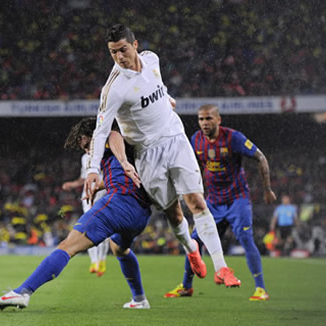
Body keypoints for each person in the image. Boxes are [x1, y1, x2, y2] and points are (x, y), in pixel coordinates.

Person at [84, 24, 240, 286]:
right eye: (113, 53)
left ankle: (222, 268)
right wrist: (92, 169)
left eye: (123, 49)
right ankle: (191, 248)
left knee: (198, 203)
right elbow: (101, 132)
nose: (119, 57)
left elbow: (158, 84)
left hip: (175, 138)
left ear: (135, 45)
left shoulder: (151, 59)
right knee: (174, 214)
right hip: (148, 154)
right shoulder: (114, 89)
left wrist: (167, 98)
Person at [0, 118, 153, 310]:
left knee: (67, 246)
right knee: (119, 248)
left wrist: (109, 148)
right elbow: (121, 177)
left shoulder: (110, 137)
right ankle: (140, 299)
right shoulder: (125, 150)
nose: (87, 151)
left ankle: (22, 292)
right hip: (140, 213)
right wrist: (98, 184)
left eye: (87, 145)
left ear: (96, 135)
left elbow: (111, 134)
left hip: (118, 204)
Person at [164, 104, 277, 301]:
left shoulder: (233, 138)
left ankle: (260, 289)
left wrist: (267, 189)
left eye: (208, 119)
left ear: (218, 119)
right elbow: (192, 167)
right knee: (194, 243)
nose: (204, 123)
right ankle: (186, 286)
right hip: (213, 203)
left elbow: (260, 157)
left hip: (237, 199)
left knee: (246, 239)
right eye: (201, 119)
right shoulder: (196, 140)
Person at [62, 152, 109, 277]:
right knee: (89, 228)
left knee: (105, 230)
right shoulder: (85, 158)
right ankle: (94, 262)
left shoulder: (105, 154)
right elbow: (84, 178)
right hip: (87, 198)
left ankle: (102, 259)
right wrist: (72, 184)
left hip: (103, 196)